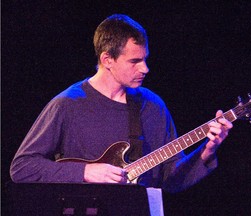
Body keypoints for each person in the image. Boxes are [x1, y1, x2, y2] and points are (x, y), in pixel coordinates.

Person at [10, 14, 233, 193]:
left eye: (145, 59)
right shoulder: (67, 104)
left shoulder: (152, 106)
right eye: (135, 61)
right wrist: (85, 172)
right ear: (107, 60)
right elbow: (22, 167)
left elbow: (171, 179)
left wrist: (207, 151)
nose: (145, 68)